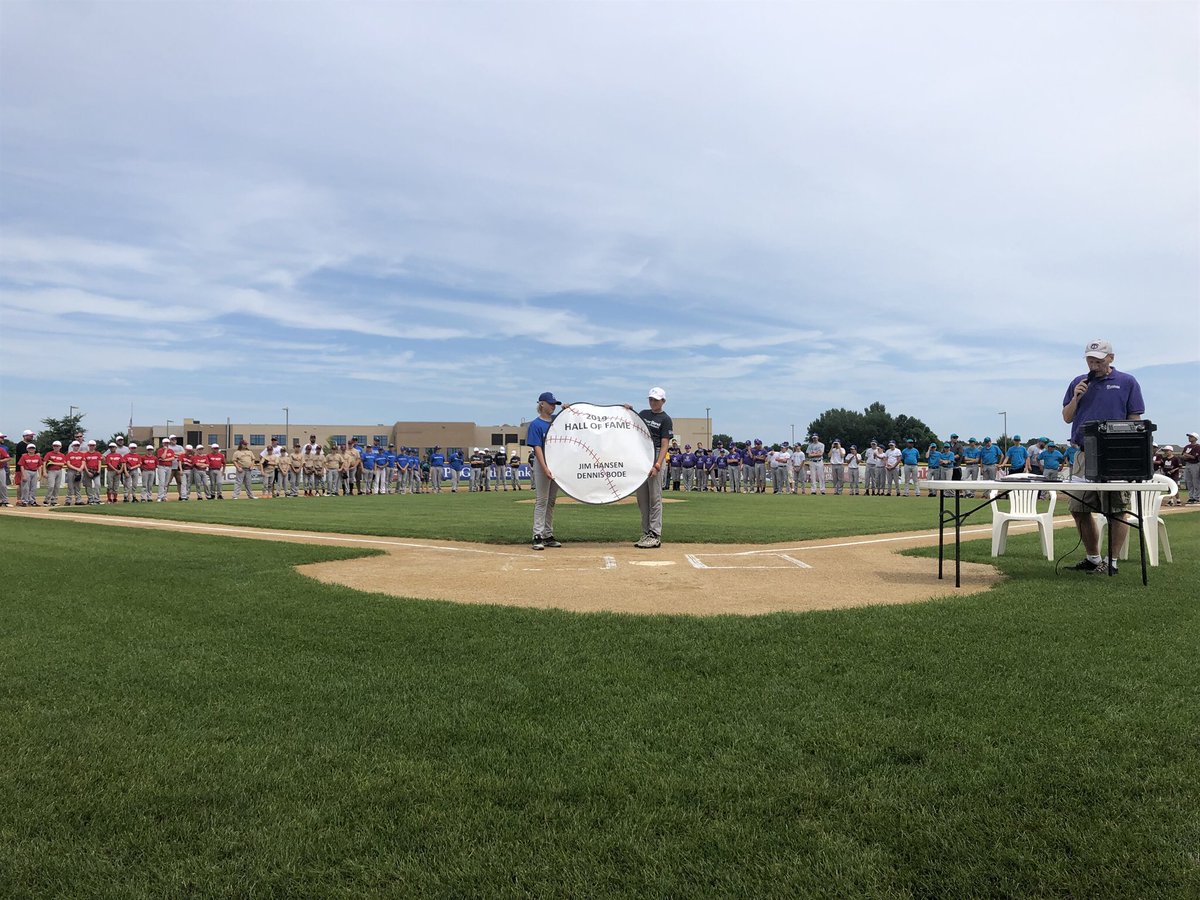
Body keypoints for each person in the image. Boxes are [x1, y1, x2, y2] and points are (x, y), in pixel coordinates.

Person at [1062, 338, 1146, 575]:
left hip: (1114, 455)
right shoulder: (1078, 382)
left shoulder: (1127, 382)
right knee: (1078, 507)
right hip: (1083, 454)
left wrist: (1131, 452)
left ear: (1111, 358)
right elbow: (1067, 417)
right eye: (1089, 360)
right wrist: (1076, 398)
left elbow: (1135, 419)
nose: (1093, 365)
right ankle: (1092, 557)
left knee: (1117, 508)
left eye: (1098, 360)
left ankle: (1113, 562)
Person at [632, 386, 673, 548]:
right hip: (642, 454)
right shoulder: (643, 414)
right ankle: (646, 532)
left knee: (655, 497)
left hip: (655, 454)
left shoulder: (665, 419)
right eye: (650, 399)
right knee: (642, 498)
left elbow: (664, 444)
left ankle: (655, 534)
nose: (652, 402)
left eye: (656, 400)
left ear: (663, 401)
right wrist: (628, 410)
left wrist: (657, 464)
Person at [527, 391, 563, 551]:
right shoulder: (536, 424)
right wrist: (545, 468)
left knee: (552, 501)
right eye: (550, 403)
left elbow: (571, 419)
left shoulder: (557, 421)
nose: (553, 406)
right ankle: (537, 535)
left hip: (556, 464)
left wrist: (568, 409)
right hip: (543, 464)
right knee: (542, 500)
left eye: (555, 404)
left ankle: (548, 534)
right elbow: (537, 448)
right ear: (542, 404)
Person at [1182, 431, 1200, 504]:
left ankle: (1197, 497)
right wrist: (1186, 456)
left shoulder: (1198, 446)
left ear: (1196, 438)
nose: (1189, 438)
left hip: (1195, 464)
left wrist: (1187, 455)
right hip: (1188, 464)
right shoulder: (1187, 447)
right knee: (1188, 481)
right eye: (1189, 436)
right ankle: (1191, 497)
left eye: (1191, 437)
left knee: (1196, 480)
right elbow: (1183, 455)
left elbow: (1195, 457)